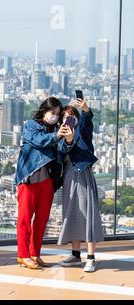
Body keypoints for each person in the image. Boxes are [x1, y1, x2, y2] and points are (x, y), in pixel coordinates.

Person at [14, 97, 73, 270]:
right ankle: (23, 255)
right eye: (52, 112)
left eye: (57, 114)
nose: (54, 116)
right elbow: (40, 141)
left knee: (42, 219)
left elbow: (61, 152)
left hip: (48, 178)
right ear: (44, 111)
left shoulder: (57, 130)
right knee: (25, 218)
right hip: (30, 177)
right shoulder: (32, 125)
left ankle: (34, 253)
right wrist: (57, 135)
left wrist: (67, 139)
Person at [57, 99, 103, 273]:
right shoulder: (60, 135)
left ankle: (90, 258)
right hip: (69, 177)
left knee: (88, 213)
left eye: (71, 117)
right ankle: (75, 254)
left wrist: (84, 109)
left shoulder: (82, 131)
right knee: (72, 213)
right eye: (65, 117)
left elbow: (87, 120)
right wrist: (67, 140)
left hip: (83, 174)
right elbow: (61, 152)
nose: (68, 120)